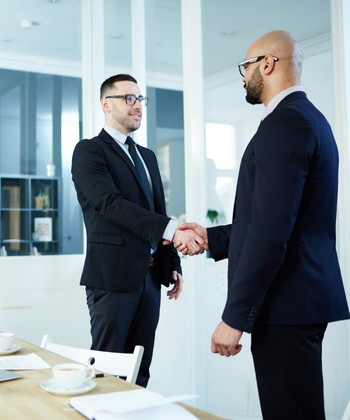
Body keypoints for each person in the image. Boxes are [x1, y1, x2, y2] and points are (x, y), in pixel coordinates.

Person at [175, 30, 350, 419]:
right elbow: (278, 221)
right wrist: (213, 238)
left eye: (246, 66)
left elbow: (271, 233)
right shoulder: (311, 120)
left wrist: (234, 318)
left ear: (268, 64)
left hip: (286, 304)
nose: (243, 77)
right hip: (298, 302)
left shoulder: (284, 124)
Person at [71, 74, 206, 387]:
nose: (138, 106)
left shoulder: (147, 156)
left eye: (140, 99)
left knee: (139, 370)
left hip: (150, 277)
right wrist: (174, 231)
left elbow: (158, 212)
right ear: (106, 104)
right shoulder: (90, 151)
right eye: (128, 98)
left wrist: (171, 263)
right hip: (112, 278)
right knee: (106, 369)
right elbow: (110, 204)